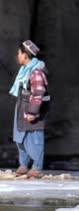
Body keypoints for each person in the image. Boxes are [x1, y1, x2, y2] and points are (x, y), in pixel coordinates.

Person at [10, 39, 49, 179]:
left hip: (31, 110)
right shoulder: (24, 71)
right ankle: (23, 165)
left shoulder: (36, 72)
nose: (17, 56)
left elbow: (38, 92)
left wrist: (33, 111)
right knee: (20, 137)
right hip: (22, 107)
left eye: (19, 53)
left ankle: (37, 167)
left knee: (34, 137)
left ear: (25, 55)